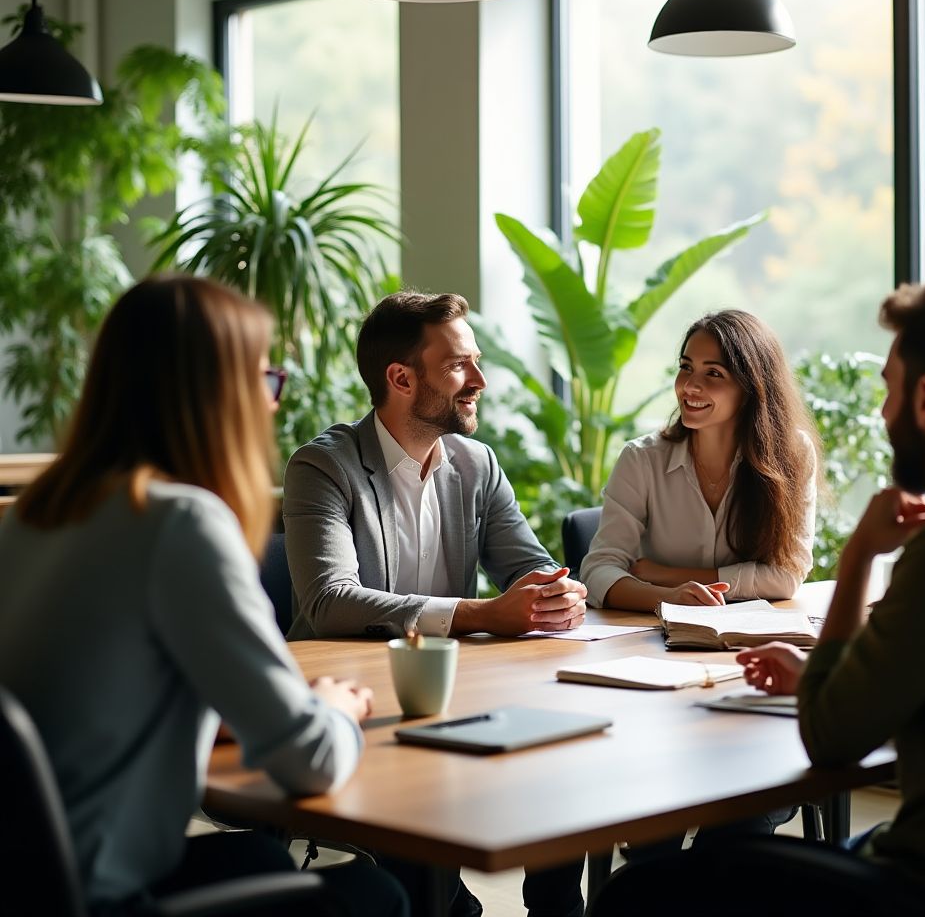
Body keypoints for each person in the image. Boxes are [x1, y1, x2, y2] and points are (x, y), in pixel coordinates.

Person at [593, 274, 925, 917]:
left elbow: (833, 738)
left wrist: (856, 561)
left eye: (889, 390)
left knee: (636, 894)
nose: (882, 413)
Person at [0, 276, 407, 917]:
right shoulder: (178, 522)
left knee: (263, 859)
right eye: (265, 379)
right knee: (373, 897)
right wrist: (331, 706)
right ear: (214, 395)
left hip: (26, 884)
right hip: (100, 896)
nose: (271, 404)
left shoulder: (27, 519)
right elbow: (311, 760)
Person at [283, 290, 588, 917]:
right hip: (358, 705)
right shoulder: (325, 465)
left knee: (562, 768)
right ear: (400, 377)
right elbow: (330, 602)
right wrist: (479, 614)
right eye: (458, 366)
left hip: (454, 699)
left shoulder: (475, 464)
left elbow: (526, 565)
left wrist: (553, 592)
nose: (479, 380)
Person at [581, 309, 819, 614]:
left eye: (713, 373)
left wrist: (667, 576)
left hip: (751, 639)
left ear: (751, 388)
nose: (690, 386)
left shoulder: (793, 454)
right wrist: (666, 597)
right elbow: (598, 571)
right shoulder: (641, 460)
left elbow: (787, 575)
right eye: (686, 367)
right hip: (651, 639)